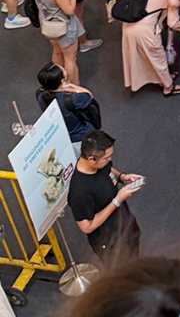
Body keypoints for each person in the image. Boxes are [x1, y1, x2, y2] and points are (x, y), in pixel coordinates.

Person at [68, 131, 142, 261]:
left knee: (134, 258)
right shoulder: (80, 192)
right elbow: (86, 226)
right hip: (110, 243)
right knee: (123, 272)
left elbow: (108, 170)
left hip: (125, 225)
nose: (109, 160)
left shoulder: (100, 165)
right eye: (107, 158)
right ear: (91, 159)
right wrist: (117, 200)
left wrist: (122, 177)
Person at [31, 0, 86, 84]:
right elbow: (70, 10)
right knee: (70, 58)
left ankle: (59, 81)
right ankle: (74, 87)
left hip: (47, 23)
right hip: (63, 26)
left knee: (57, 51)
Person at [36, 62, 99, 157]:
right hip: (81, 136)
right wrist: (74, 88)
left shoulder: (41, 95)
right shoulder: (73, 99)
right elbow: (89, 96)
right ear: (62, 80)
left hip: (64, 136)